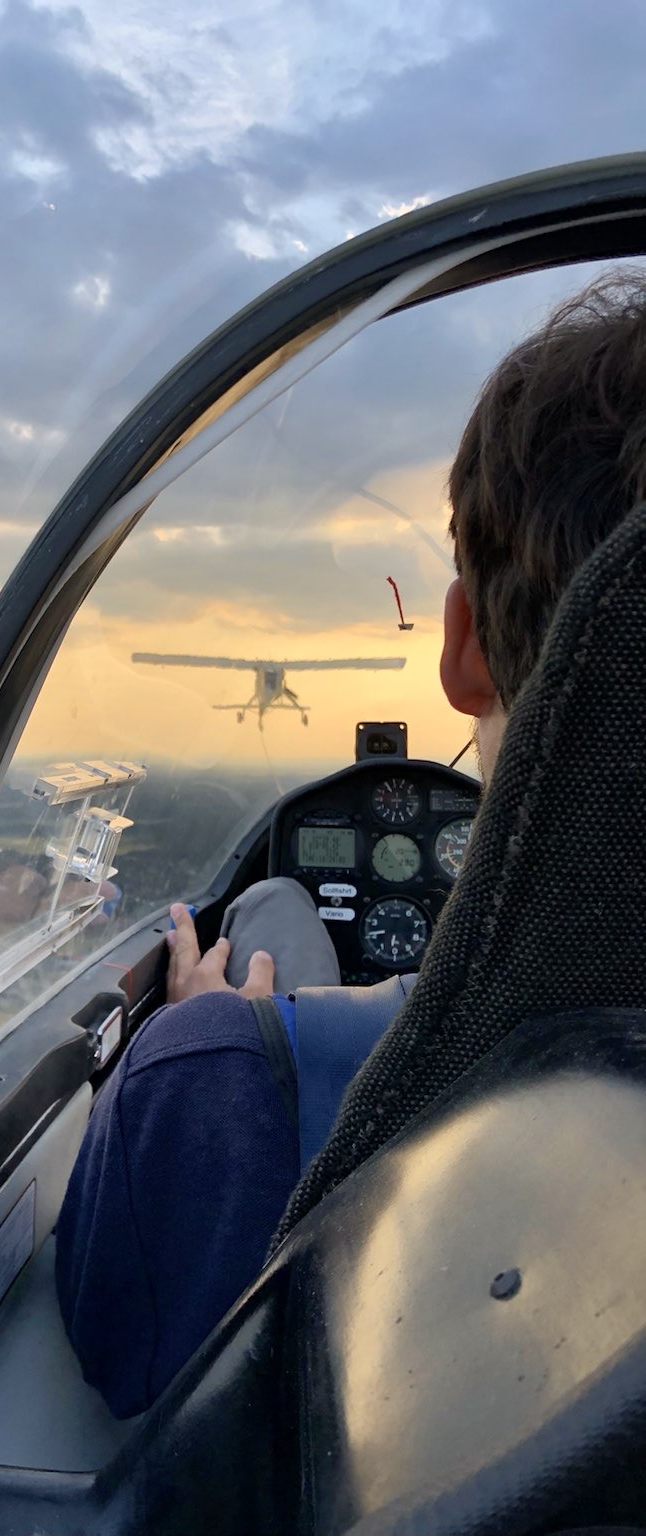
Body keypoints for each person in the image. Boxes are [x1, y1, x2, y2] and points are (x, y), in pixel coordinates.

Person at [55, 272, 646, 1419]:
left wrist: (205, 1038)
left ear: (462, 643)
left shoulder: (211, 1085)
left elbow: (130, 1356)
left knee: (276, 915)